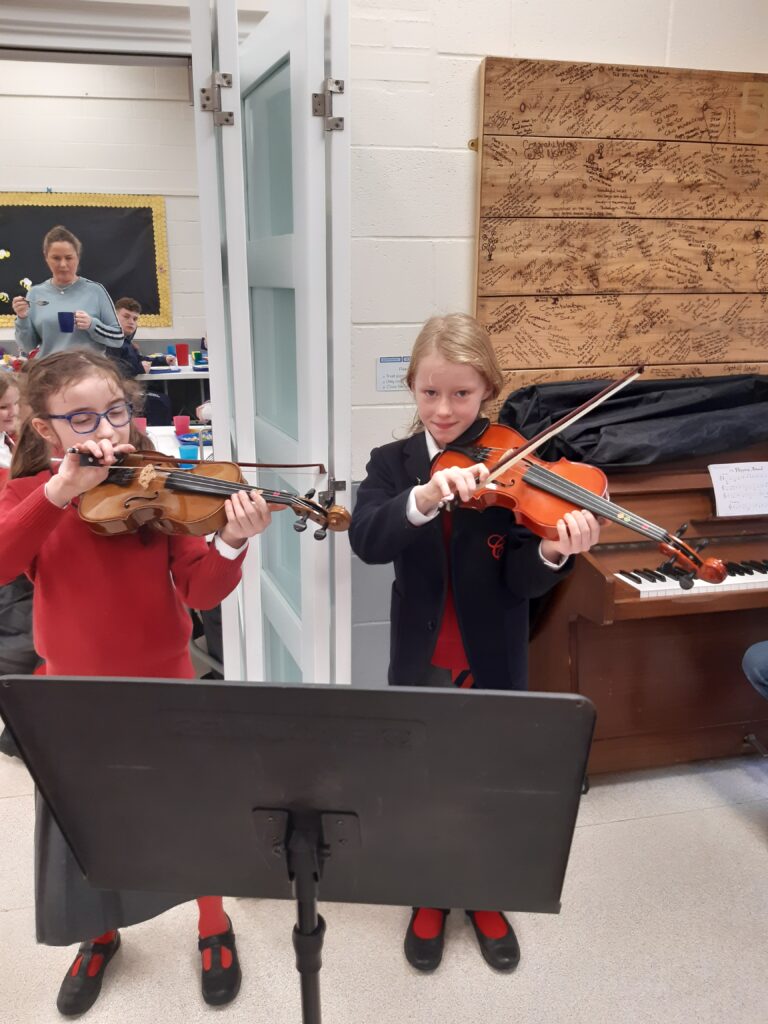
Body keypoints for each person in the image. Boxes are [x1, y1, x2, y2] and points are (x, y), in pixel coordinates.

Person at [0, 348, 273, 1016]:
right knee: (86, 828)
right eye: (83, 417)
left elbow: (201, 586)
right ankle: (98, 935)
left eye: (116, 411)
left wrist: (233, 544)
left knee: (190, 815)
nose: (108, 430)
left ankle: (214, 924)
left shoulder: (161, 484)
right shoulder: (25, 495)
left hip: (166, 687)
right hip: (73, 697)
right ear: (45, 429)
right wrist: (58, 493)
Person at [348, 313, 601, 975]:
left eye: (461, 394)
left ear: (486, 388)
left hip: (492, 654)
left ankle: (485, 894)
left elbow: (521, 583)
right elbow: (369, 542)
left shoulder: (520, 460)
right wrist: (425, 496)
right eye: (430, 392)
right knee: (425, 778)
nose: (444, 408)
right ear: (412, 388)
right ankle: (430, 893)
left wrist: (551, 550)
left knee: (490, 778)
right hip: (421, 655)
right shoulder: (392, 464)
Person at [0, 370, 40, 759]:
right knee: (23, 646)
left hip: (17, 553)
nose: (12, 414)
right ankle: (20, 734)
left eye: (16, 405)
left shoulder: (12, 440)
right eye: (2, 408)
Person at [11, 225, 124, 358]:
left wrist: (92, 325)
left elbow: (118, 338)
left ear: (78, 257)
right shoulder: (35, 294)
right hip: (49, 372)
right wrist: (22, 317)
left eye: (69, 258)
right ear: (46, 257)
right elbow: (27, 346)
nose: (63, 264)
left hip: (87, 372)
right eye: (56, 258)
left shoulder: (96, 291)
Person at [111, 296, 151, 377]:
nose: (131, 322)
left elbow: (139, 359)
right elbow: (112, 369)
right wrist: (139, 368)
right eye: (126, 316)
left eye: (135, 319)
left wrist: (163, 360)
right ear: (114, 317)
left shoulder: (126, 341)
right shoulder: (110, 341)